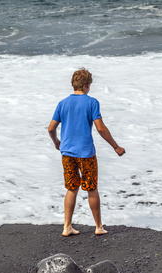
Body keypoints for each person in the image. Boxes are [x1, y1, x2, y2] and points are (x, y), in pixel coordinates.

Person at [48, 68, 125, 237]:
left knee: (71, 188)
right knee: (91, 188)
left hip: (67, 153)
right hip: (86, 154)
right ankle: (98, 226)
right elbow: (100, 128)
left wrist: (56, 143)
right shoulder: (91, 102)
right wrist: (115, 146)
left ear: (73, 84)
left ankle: (67, 227)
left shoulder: (62, 103)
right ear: (88, 85)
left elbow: (51, 128)